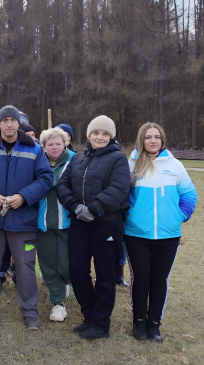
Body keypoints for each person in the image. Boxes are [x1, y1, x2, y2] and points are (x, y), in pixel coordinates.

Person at [0, 105, 53, 330]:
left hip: (23, 221)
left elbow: (45, 179)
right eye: (4, 120)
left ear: (18, 123)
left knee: (25, 265)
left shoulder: (35, 149)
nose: (9, 124)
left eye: (12, 120)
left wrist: (24, 197)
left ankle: (29, 311)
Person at [57, 115, 130, 340]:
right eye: (96, 133)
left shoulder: (118, 158)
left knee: (105, 275)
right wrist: (75, 207)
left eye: (105, 133)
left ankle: (101, 325)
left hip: (106, 225)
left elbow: (118, 189)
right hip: (79, 223)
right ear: (89, 135)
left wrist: (94, 209)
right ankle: (89, 316)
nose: (100, 137)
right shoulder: (78, 158)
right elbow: (62, 184)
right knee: (78, 271)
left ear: (111, 136)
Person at [125, 123, 197, 342]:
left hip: (168, 235)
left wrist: (179, 215)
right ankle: (139, 322)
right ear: (142, 140)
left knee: (159, 279)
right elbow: (122, 195)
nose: (153, 141)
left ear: (162, 140)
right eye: (148, 137)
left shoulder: (175, 165)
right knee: (141, 278)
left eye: (157, 137)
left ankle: (154, 323)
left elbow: (189, 195)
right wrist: (130, 215)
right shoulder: (132, 165)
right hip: (136, 235)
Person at [37, 127, 75, 322]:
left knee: (68, 266)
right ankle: (58, 303)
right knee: (49, 266)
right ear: (43, 147)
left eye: (58, 143)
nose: (54, 147)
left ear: (65, 144)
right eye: (49, 144)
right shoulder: (38, 163)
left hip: (68, 224)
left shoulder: (75, 162)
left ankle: (65, 283)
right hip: (43, 224)